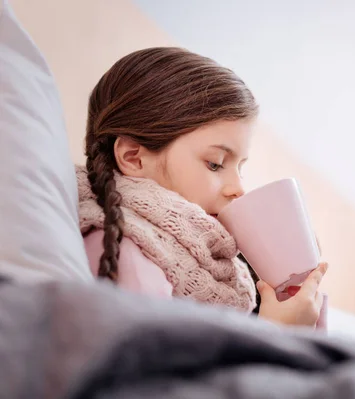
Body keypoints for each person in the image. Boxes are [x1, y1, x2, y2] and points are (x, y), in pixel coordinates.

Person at [78, 47, 327, 328]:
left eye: (240, 168)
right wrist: (275, 335)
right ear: (133, 157)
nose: (238, 189)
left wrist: (297, 296)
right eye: (215, 163)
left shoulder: (224, 272)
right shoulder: (121, 250)